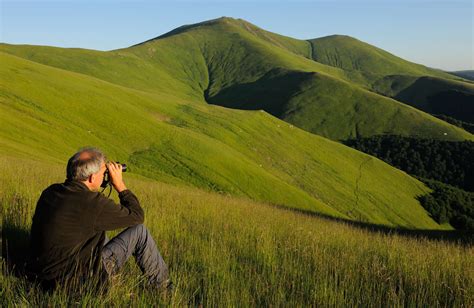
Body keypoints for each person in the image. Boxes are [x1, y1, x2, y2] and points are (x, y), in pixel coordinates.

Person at [27, 147, 170, 292]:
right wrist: (119, 184)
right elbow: (137, 216)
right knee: (140, 232)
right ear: (92, 177)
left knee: (100, 234)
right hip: (77, 284)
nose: (105, 175)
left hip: (40, 278)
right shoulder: (93, 203)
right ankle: (164, 289)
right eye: (103, 172)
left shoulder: (50, 191)